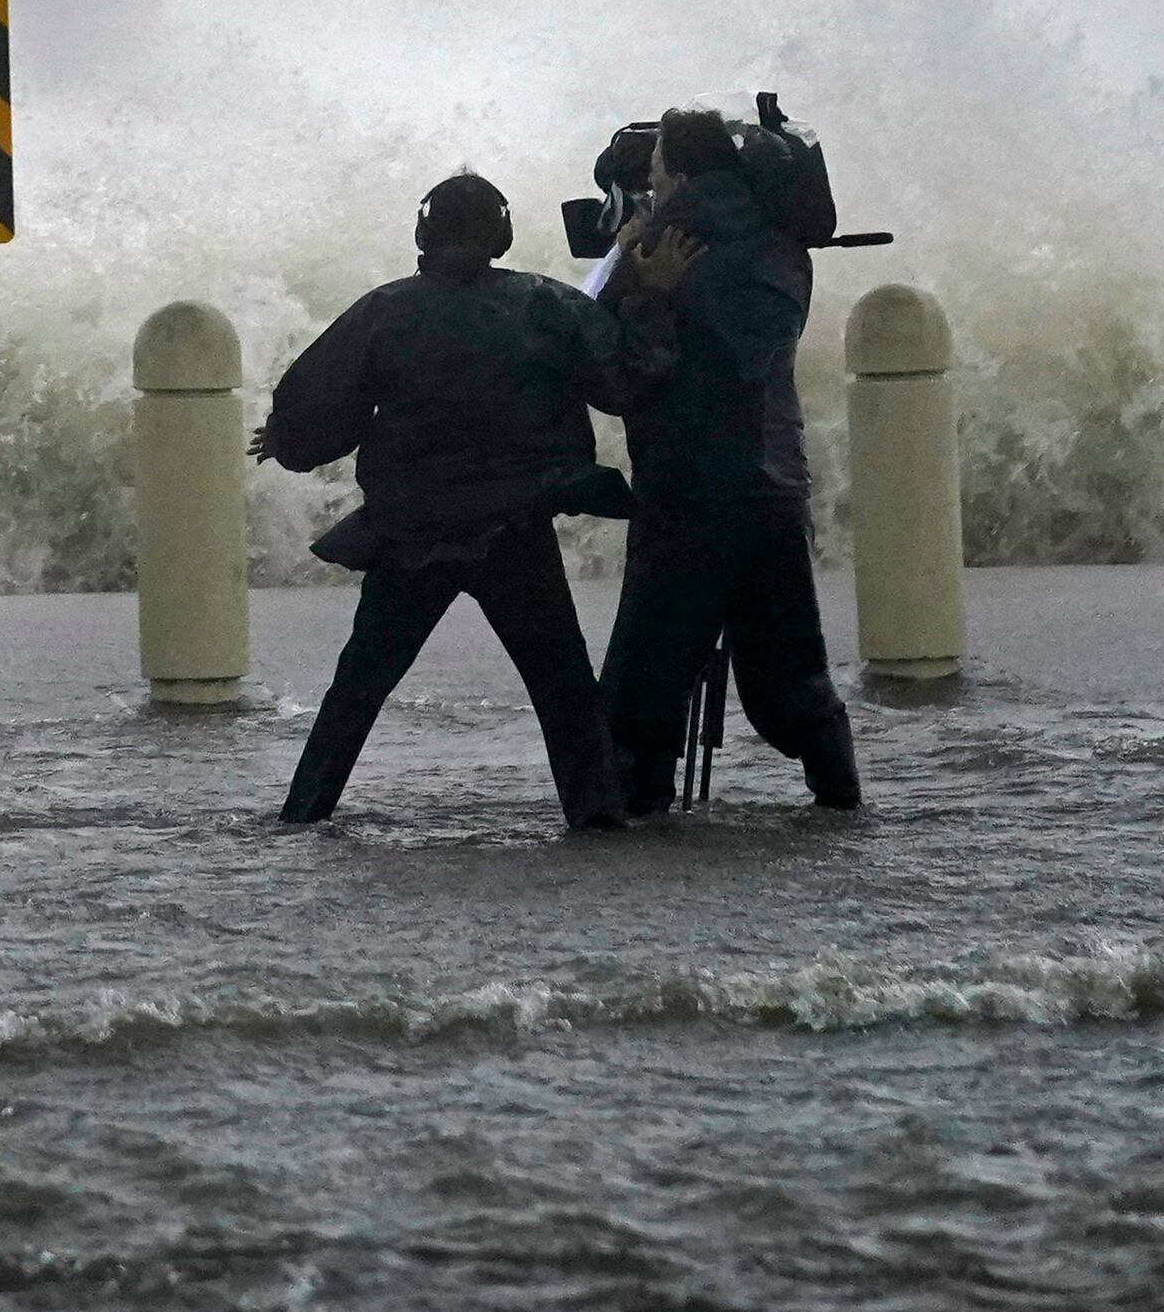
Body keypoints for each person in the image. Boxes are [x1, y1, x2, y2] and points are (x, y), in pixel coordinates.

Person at [253, 171, 637, 833]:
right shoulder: (548, 302)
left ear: (424, 234)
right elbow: (625, 381)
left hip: (413, 533)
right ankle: (598, 819)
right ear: (502, 233)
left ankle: (302, 813)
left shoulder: (384, 309)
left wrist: (284, 442)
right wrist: (648, 292)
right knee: (565, 691)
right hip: (514, 529)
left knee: (357, 690)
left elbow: (317, 412)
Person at [594, 105, 861, 813]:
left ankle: (642, 819)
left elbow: (620, 375)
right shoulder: (784, 244)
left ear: (676, 172)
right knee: (791, 681)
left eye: (655, 171)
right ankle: (843, 802)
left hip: (687, 492)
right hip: (774, 489)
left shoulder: (659, 245)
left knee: (640, 691)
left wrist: (638, 283)